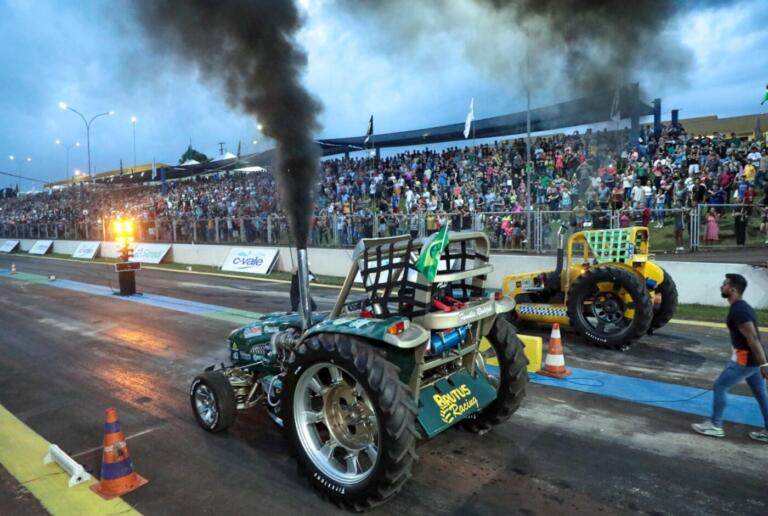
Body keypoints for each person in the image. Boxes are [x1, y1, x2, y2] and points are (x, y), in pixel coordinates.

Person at [692, 274, 768, 442]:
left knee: (720, 387)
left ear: (732, 289)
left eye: (725, 284)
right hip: (752, 360)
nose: (722, 286)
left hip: (746, 360)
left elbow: (753, 338)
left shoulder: (739, 310)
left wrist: (764, 364)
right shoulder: (741, 307)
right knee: (761, 394)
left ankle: (715, 425)